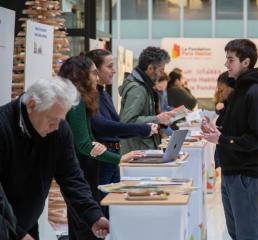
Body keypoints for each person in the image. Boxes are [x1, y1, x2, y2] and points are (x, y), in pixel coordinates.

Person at [0, 77, 109, 240]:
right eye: (52, 120)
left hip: (27, 223)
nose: (57, 126)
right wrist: (16, 233)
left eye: (60, 119)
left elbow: (71, 177)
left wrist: (93, 215)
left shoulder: (58, 130)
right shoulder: (3, 127)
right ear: (31, 105)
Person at [59, 56, 144, 239]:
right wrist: (117, 158)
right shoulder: (76, 99)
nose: (97, 78)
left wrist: (95, 145)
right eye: (93, 73)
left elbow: (87, 140)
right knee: (86, 225)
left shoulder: (80, 98)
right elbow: (84, 144)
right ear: (80, 75)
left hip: (80, 166)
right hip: (79, 169)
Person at [201, 39, 258, 240]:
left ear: (246, 62)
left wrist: (222, 140)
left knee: (246, 232)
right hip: (231, 171)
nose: (226, 64)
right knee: (235, 232)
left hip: (244, 175)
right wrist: (217, 130)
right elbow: (235, 128)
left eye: (230, 60)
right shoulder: (239, 91)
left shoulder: (255, 93)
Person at [86, 49, 158, 216]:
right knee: (100, 212)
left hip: (112, 158)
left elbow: (116, 126)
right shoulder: (89, 96)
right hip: (101, 160)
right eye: (110, 66)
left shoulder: (103, 94)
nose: (114, 70)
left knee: (112, 212)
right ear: (95, 70)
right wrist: (142, 128)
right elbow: (103, 126)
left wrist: (144, 128)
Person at [119, 46, 174, 155]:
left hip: (141, 148)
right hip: (137, 151)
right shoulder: (138, 89)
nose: (162, 74)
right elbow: (127, 121)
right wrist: (157, 118)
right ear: (150, 68)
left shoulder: (145, 86)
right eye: (161, 70)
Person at [213, 71, 235, 169]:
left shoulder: (236, 105)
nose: (220, 95)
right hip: (228, 162)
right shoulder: (228, 103)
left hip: (234, 164)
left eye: (221, 91)